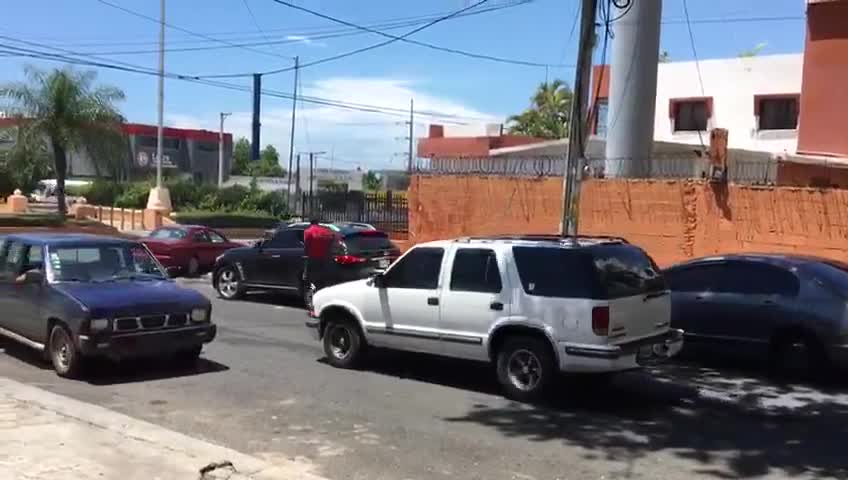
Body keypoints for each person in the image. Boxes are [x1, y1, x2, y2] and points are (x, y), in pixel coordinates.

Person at [302, 219, 335, 300]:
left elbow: (306, 245)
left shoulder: (308, 231)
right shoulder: (326, 231)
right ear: (318, 223)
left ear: (311, 223)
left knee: (311, 280)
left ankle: (313, 299)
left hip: (313, 258)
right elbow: (332, 239)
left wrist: (305, 257)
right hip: (326, 259)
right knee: (323, 281)